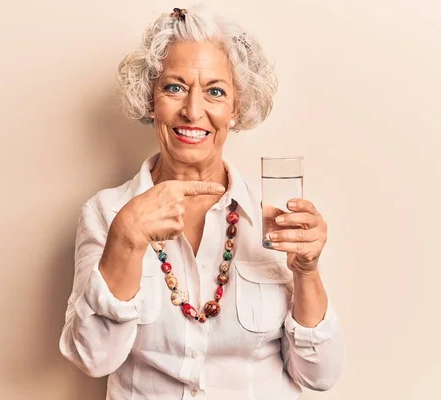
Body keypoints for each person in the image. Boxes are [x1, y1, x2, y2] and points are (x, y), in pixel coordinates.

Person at [59, 6, 344, 399]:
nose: (193, 111)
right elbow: (94, 358)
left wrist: (307, 270)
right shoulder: (106, 213)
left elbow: (320, 374)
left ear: (236, 109)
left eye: (215, 91)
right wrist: (126, 239)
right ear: (149, 100)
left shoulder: (274, 218)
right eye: (174, 87)